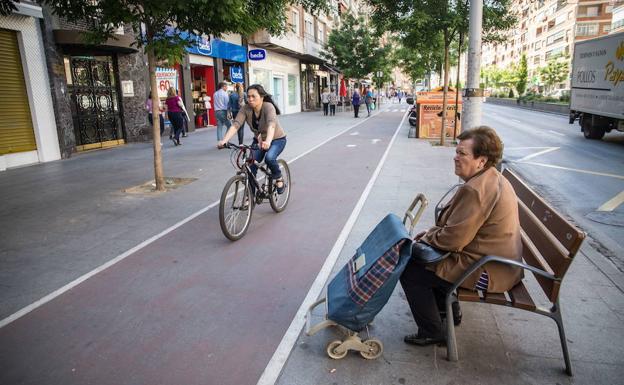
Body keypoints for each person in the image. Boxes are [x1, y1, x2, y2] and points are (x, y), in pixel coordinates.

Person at [400, 126, 523, 346]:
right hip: (501, 264)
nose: (455, 158)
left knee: (410, 268)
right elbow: (458, 230)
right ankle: (447, 313)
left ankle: (432, 330)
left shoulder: (475, 190)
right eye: (456, 152)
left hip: (488, 270)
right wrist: (431, 233)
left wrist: (428, 237)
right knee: (429, 261)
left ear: (482, 160)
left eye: (462, 154)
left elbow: (454, 240)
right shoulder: (489, 177)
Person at [217, 84, 287, 194]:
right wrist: (224, 140)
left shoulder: (268, 107)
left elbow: (271, 125)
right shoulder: (245, 109)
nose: (250, 99)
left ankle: (279, 178)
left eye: (254, 96)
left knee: (269, 158)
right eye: (248, 96)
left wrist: (268, 141)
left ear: (262, 97)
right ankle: (250, 197)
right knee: (250, 165)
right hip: (259, 141)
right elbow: (236, 125)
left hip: (276, 139)